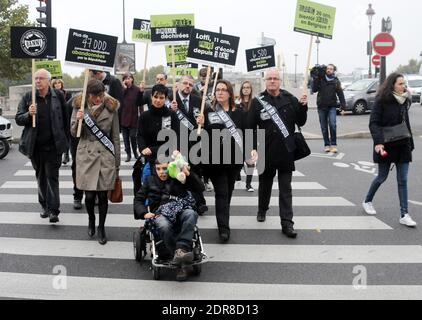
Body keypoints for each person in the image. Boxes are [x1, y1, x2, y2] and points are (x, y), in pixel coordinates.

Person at [248, 68, 308, 239]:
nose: (272, 81)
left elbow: (301, 121)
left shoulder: (289, 99)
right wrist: (252, 148)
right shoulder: (258, 101)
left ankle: (287, 223)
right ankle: (262, 209)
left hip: (286, 151)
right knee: (265, 185)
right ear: (265, 81)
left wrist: (303, 107)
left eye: (275, 78)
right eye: (269, 78)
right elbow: (250, 128)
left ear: (280, 81)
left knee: (285, 189)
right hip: (265, 151)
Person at [134, 159, 204, 281]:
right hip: (159, 213)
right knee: (164, 226)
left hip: (180, 209)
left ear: (170, 167)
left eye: (164, 168)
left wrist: (188, 173)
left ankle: (181, 249)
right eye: (158, 169)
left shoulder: (177, 177)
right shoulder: (150, 181)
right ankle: (177, 258)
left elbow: (200, 188)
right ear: (155, 170)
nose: (162, 172)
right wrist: (144, 213)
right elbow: (138, 199)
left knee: (191, 214)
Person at [362, 72, 417, 227]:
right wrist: (378, 143)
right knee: (382, 177)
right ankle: (367, 201)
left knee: (403, 180)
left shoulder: (405, 99)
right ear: (392, 84)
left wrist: (410, 143)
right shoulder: (382, 101)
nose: (403, 86)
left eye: (404, 84)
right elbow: (374, 123)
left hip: (403, 145)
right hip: (386, 144)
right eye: (400, 84)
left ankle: (404, 214)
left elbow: (405, 123)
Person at [70, 79, 121, 245]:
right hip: (86, 155)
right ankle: (91, 219)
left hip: (105, 155)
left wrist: (117, 162)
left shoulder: (111, 109)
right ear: (89, 95)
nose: (98, 99)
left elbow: (115, 136)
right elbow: (74, 133)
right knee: (90, 196)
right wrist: (78, 120)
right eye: (94, 96)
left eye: (100, 95)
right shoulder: (79, 107)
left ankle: (101, 227)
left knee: (103, 196)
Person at [15, 69, 69, 223]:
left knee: (52, 177)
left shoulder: (58, 95)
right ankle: (44, 205)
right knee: (41, 177)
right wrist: (28, 114)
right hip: (35, 147)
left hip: (54, 146)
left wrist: (65, 140)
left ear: (48, 80)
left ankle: (54, 210)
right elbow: (19, 118)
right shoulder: (28, 97)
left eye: (41, 78)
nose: (38, 81)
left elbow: (64, 119)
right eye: (35, 78)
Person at [196, 79, 246, 242]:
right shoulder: (209, 113)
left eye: (224, 89)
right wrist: (202, 126)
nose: (220, 92)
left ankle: (222, 217)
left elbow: (245, 133)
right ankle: (224, 228)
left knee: (228, 192)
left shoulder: (239, 112)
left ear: (230, 93)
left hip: (233, 159)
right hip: (215, 159)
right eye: (217, 89)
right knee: (222, 193)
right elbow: (204, 137)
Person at [170, 75, 208, 215]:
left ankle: (199, 202)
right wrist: (170, 109)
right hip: (177, 141)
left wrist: (203, 122)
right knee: (180, 172)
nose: (187, 86)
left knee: (195, 172)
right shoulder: (171, 100)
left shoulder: (199, 100)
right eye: (185, 83)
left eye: (190, 84)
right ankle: (190, 201)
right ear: (178, 85)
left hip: (194, 142)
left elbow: (205, 121)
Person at [137, 84, 179, 165]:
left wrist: (153, 149)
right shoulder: (144, 116)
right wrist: (143, 149)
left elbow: (176, 136)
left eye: (161, 98)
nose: (158, 100)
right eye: (156, 97)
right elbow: (140, 135)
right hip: (148, 156)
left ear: (166, 98)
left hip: (167, 157)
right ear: (151, 97)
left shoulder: (172, 115)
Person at [312, 64, 346, 153]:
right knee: (324, 127)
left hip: (332, 107)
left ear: (333, 71)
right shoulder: (321, 79)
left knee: (333, 125)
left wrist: (343, 107)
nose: (329, 70)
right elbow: (314, 89)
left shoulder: (335, 81)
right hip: (321, 107)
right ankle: (327, 144)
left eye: (331, 69)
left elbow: (340, 94)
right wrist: (315, 78)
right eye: (328, 68)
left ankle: (334, 144)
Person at [122, 72, 143, 162]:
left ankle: (135, 152)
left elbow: (140, 103)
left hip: (134, 117)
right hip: (123, 117)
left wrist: (142, 115)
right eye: (126, 78)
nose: (128, 80)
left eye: (129, 78)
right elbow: (118, 100)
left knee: (133, 137)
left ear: (132, 79)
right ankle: (128, 154)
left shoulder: (137, 89)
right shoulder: (122, 90)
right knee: (125, 138)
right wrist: (124, 89)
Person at [238, 80, 255, 192]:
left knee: (250, 161)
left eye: (248, 87)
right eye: (244, 87)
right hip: (239, 135)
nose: (246, 89)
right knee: (238, 160)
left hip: (251, 135)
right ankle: (237, 174)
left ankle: (248, 184)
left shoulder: (255, 104)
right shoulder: (237, 104)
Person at [51, 78, 72, 165]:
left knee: (67, 135)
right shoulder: (51, 94)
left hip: (66, 116)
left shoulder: (67, 93)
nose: (57, 84)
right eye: (55, 83)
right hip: (56, 118)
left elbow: (70, 105)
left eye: (59, 83)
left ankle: (66, 154)